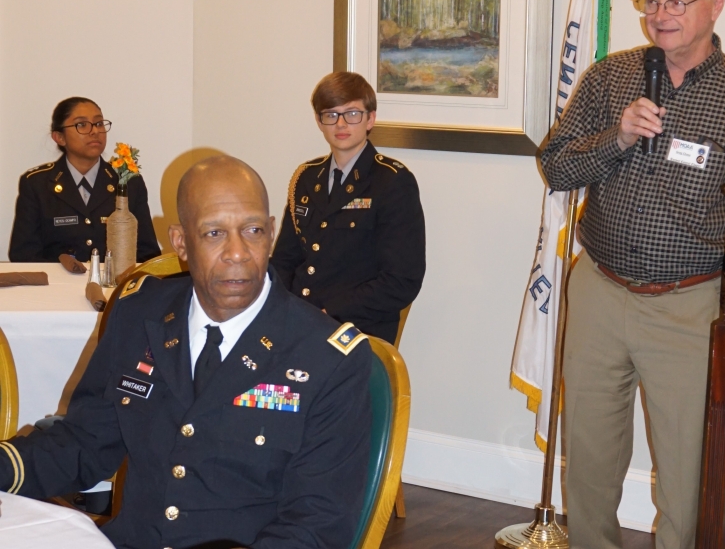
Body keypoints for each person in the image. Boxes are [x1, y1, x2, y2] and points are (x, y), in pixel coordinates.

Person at [541, 0, 725, 549]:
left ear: (716, 5)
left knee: (687, 478)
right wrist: (617, 136)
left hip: (691, 306)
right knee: (589, 463)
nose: (660, 16)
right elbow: (555, 166)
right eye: (651, 2)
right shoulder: (609, 79)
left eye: (676, 2)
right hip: (600, 290)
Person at [0, 156, 373, 549]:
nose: (237, 252)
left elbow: (316, 524)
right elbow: (85, 442)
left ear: (272, 233)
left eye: (253, 230)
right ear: (180, 241)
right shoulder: (140, 314)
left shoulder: (326, 358)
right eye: (214, 233)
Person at [270, 72, 426, 344]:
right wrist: (281, 308)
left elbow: (401, 280)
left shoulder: (392, 182)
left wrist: (328, 311)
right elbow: (285, 260)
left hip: (355, 332)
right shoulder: (306, 178)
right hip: (297, 323)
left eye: (352, 113)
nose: (340, 124)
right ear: (319, 121)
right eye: (330, 114)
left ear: (370, 119)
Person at [8, 96, 160, 263]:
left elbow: (147, 254)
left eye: (99, 123)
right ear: (59, 137)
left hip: (116, 280)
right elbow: (24, 256)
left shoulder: (127, 181)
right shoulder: (37, 184)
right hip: (56, 280)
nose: (94, 131)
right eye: (81, 125)